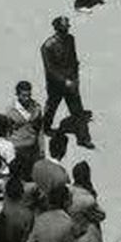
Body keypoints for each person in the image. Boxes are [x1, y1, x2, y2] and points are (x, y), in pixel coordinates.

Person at [40, 15, 94, 149]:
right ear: (57, 29)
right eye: (63, 29)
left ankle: (83, 138)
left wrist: (76, 78)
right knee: (51, 107)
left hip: (71, 81)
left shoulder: (70, 39)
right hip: (56, 84)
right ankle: (45, 127)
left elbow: (74, 59)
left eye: (67, 28)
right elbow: (50, 69)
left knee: (77, 111)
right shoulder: (47, 46)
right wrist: (64, 81)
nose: (66, 31)